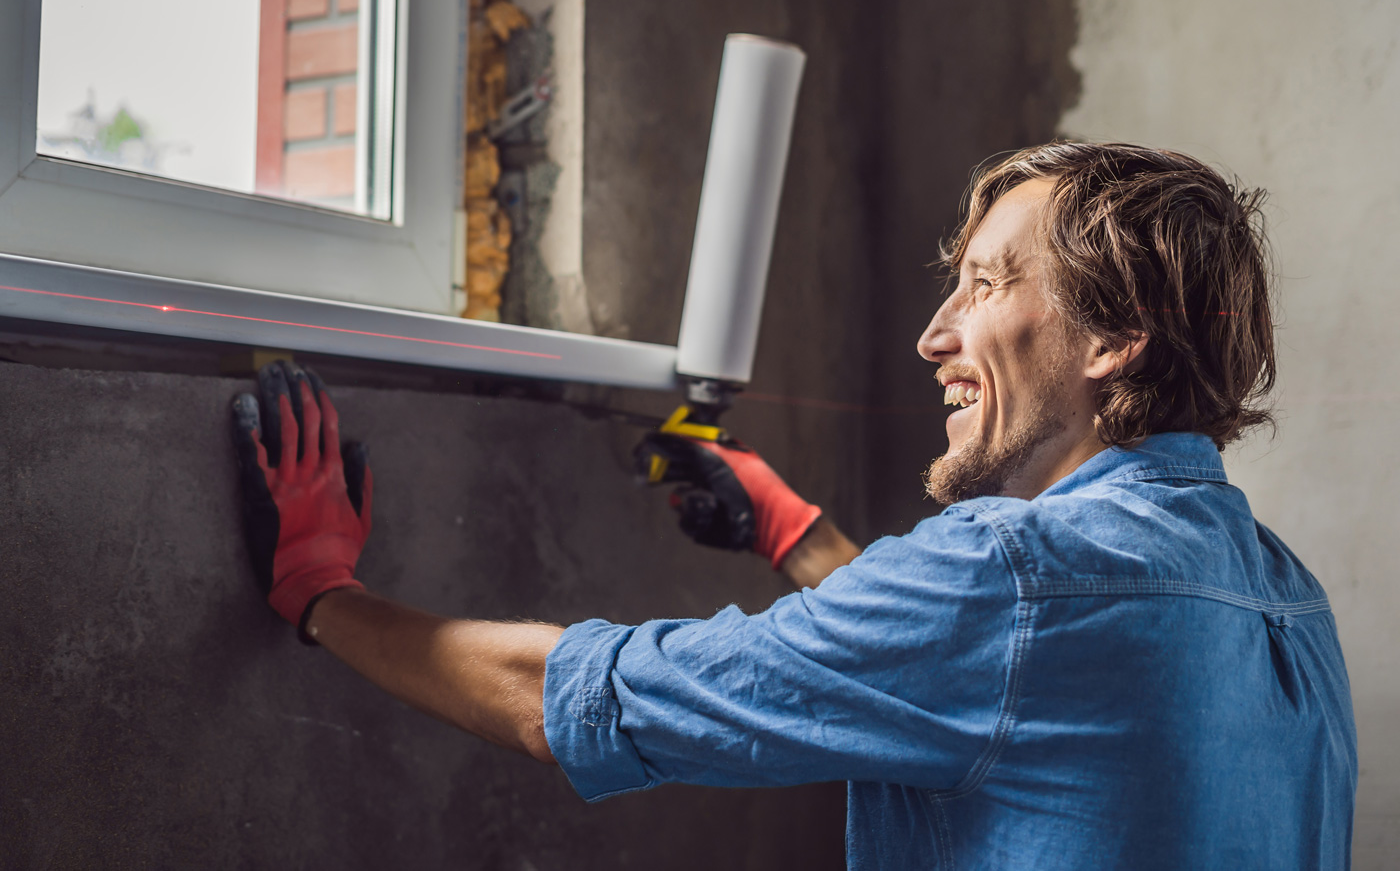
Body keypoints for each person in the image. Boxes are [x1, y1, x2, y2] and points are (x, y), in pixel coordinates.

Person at [229, 142, 1357, 870]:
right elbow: (1006, 684)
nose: (933, 336)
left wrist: (325, 592)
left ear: (1113, 341)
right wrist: (793, 534)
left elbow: (570, 703)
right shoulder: (1285, 600)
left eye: (986, 284)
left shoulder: (1006, 579)